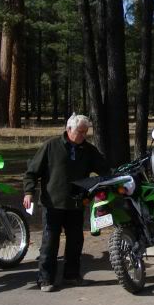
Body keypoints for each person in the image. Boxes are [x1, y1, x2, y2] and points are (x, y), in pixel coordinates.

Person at [23, 114, 109, 292]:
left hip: (76, 203)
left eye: (86, 132)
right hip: (53, 203)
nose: (84, 135)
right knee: (50, 242)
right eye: (80, 132)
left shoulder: (88, 150)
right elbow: (32, 171)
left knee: (75, 241)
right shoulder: (51, 146)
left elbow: (104, 169)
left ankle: (71, 275)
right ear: (69, 129)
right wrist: (28, 192)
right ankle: (45, 279)